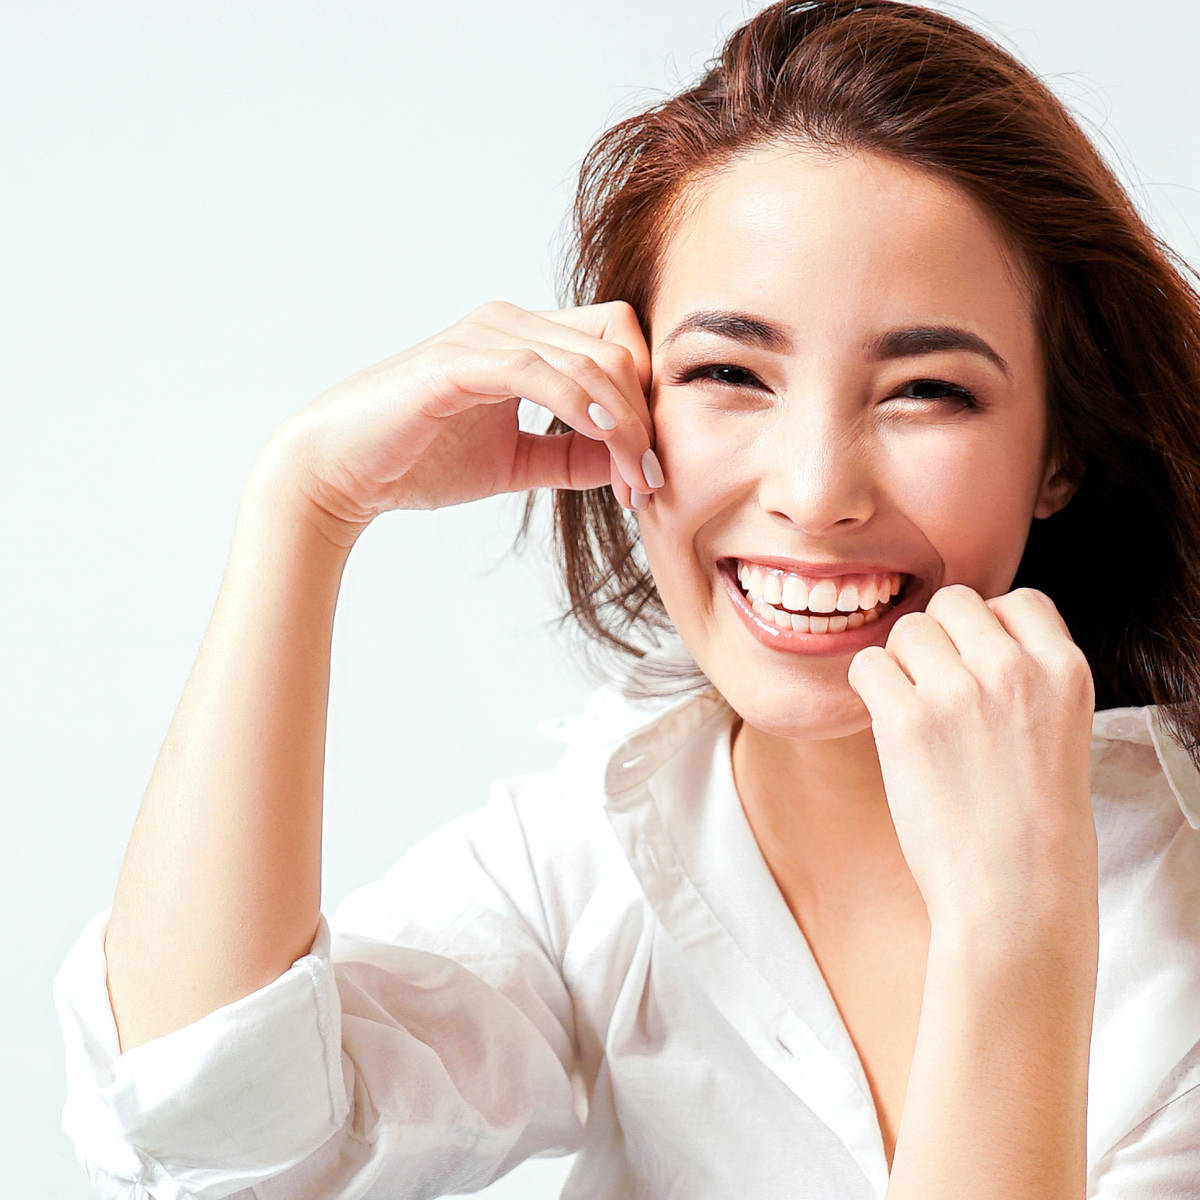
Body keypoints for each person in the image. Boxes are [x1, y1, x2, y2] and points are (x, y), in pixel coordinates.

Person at [53, 1, 1200, 1197]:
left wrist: (1013, 931)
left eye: (923, 390)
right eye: (728, 374)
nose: (813, 495)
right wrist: (304, 507)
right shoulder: (601, 848)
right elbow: (214, 1139)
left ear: (1061, 449)